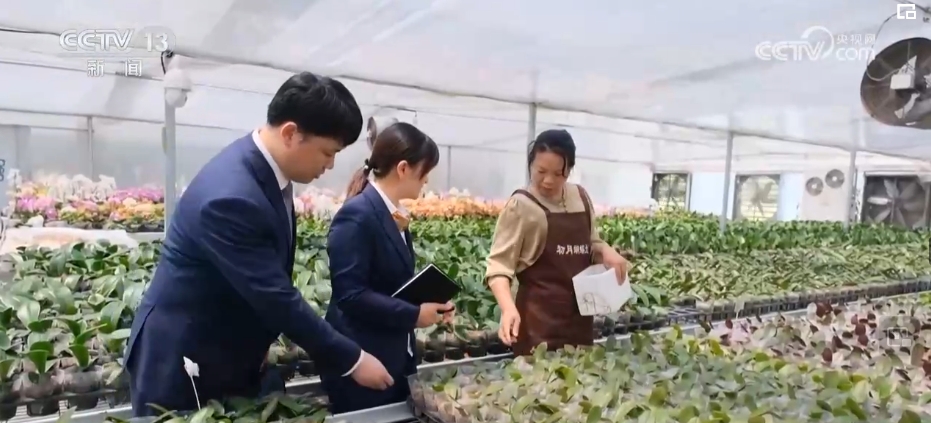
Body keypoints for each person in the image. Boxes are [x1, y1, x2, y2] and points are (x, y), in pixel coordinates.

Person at [125, 72, 394, 416]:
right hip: (183, 363)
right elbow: (274, 295)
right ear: (290, 133)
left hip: (228, 350)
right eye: (328, 152)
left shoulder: (266, 173)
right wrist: (352, 359)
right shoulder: (231, 196)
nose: (330, 165)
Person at [321, 122, 454, 413]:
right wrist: (414, 314)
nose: (427, 180)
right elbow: (351, 295)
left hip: (394, 354)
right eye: (425, 172)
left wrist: (431, 302)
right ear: (403, 168)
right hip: (363, 362)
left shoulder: (392, 214)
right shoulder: (357, 215)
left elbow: (389, 283)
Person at [484, 129, 630, 356]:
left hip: (580, 322)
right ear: (530, 165)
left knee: (579, 374)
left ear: (569, 169)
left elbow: (591, 244)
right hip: (537, 326)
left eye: (558, 173)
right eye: (541, 171)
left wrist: (605, 251)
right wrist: (507, 308)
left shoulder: (580, 198)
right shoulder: (521, 206)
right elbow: (499, 267)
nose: (548, 180)